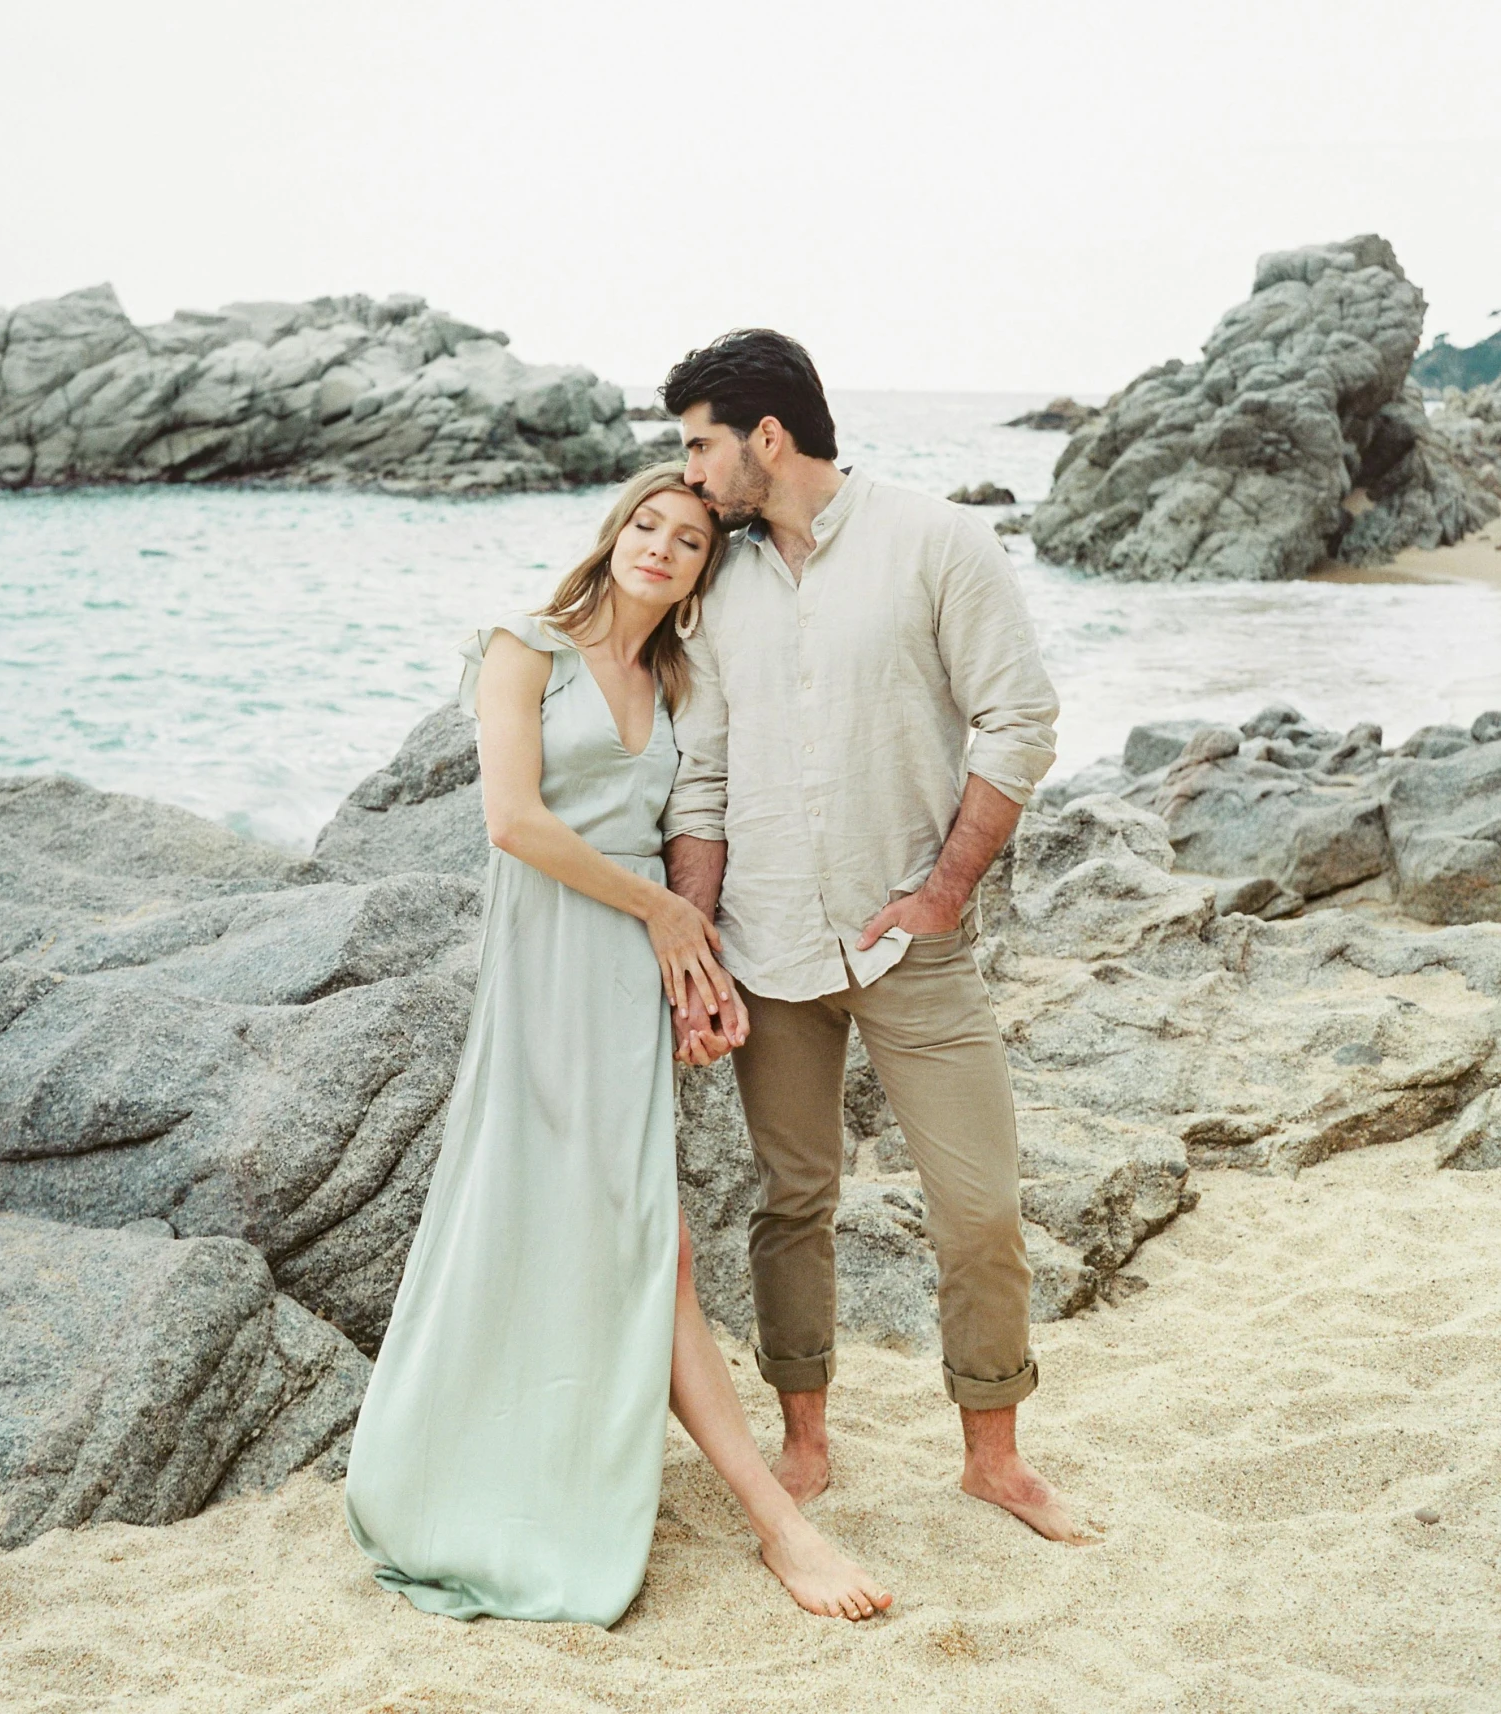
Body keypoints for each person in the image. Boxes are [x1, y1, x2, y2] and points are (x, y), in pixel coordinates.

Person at [344, 464, 891, 1625]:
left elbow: (691, 833)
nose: (659, 547)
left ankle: (737, 1513)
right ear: (613, 535)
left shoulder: (680, 679)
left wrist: (693, 973)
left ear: (700, 576)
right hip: (547, 969)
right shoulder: (521, 647)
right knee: (605, 1237)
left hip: (628, 993)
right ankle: (776, 1527)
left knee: (645, 1241)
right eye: (646, 525)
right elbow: (513, 822)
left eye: (688, 541)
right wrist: (658, 915)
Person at [659, 330, 1090, 1545]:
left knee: (979, 1207)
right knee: (791, 1200)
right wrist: (694, 944)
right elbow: (701, 778)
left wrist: (941, 893)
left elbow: (1018, 720)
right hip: (763, 952)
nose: (688, 474)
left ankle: (993, 1459)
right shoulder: (717, 581)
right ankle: (804, 1442)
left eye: (698, 444)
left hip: (909, 946)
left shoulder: (936, 541)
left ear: (767, 437)